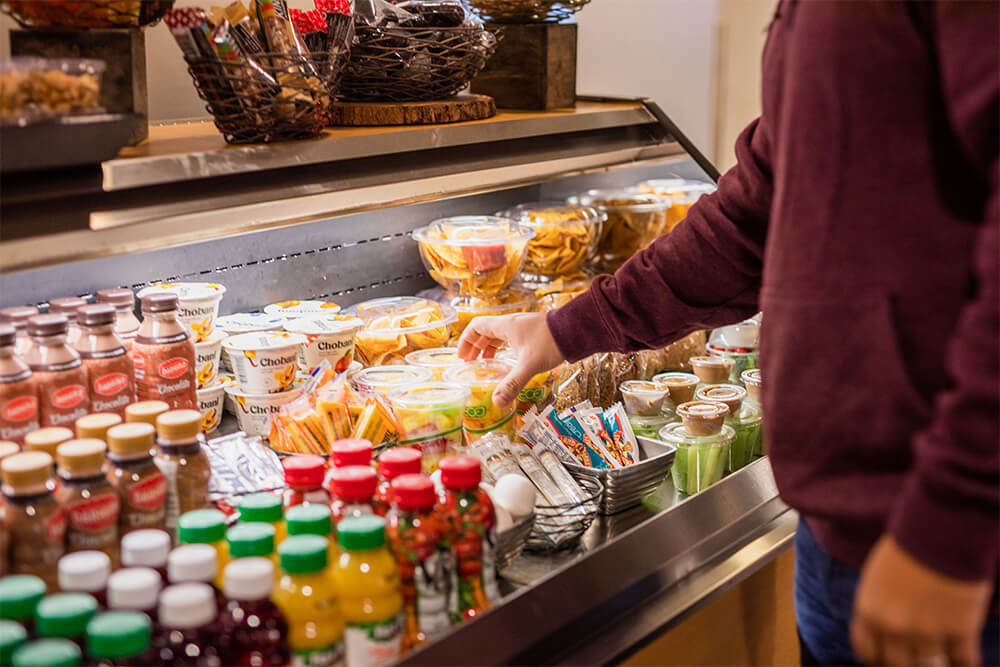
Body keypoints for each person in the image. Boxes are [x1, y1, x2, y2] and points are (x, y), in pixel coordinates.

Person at [457, 2, 999, 666]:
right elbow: (752, 219)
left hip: (948, 556)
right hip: (845, 536)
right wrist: (563, 329)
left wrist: (953, 519)